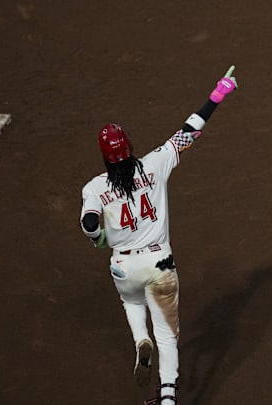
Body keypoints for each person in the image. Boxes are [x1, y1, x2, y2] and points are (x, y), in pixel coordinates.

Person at [79, 66, 238, 405]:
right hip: (161, 264)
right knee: (167, 336)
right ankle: (167, 399)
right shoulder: (154, 164)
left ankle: (139, 340)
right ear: (129, 147)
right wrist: (216, 97)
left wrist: (99, 236)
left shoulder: (94, 188)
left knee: (131, 300)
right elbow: (188, 133)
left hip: (124, 267)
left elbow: (90, 224)